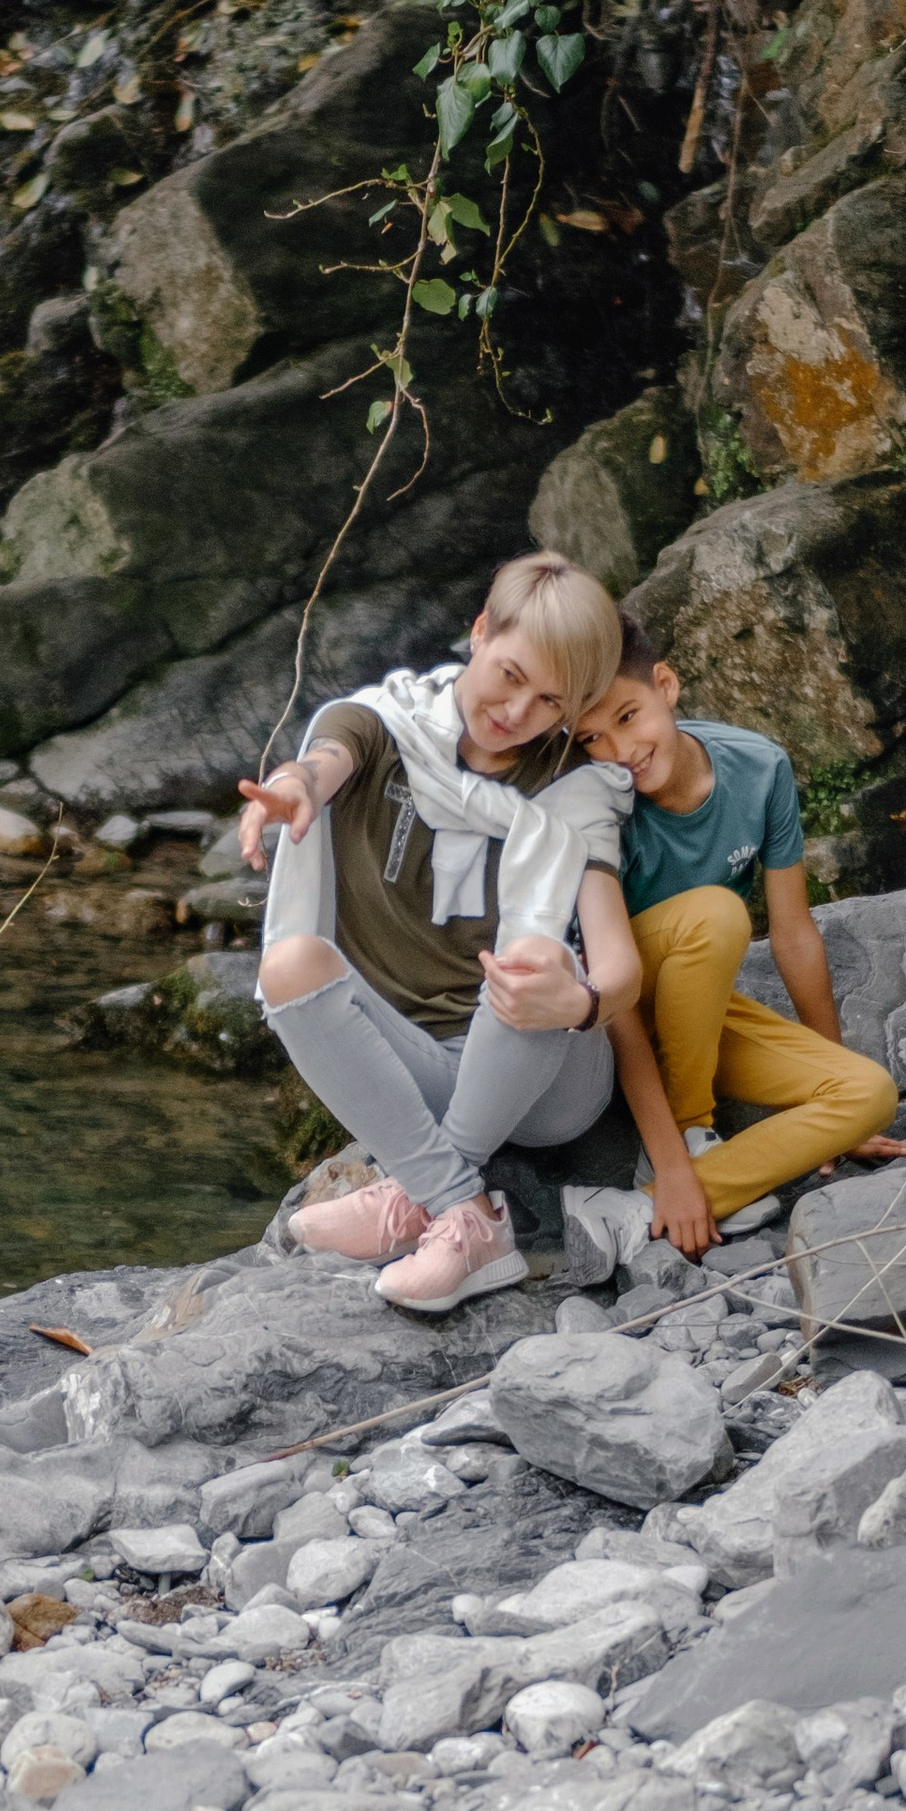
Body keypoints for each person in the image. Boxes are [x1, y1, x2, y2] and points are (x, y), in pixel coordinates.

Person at [237, 551, 642, 1313]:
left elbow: (620, 967)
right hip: (417, 1068)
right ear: (481, 631)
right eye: (511, 674)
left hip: (546, 1080)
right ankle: (465, 1216)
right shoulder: (382, 728)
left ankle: (413, 1195)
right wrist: (293, 792)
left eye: (551, 700)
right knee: (289, 967)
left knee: (532, 955)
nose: (518, 711)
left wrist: (578, 1002)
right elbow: (324, 762)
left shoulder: (573, 788)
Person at [569, 617, 901, 1261]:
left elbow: (795, 934)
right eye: (591, 740)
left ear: (666, 685)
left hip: (698, 1013)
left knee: (869, 1094)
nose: (619, 750)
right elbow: (607, 998)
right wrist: (671, 1152)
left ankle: (636, 1211)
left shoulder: (758, 766)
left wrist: (828, 1070)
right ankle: (689, 1136)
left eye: (629, 717)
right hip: (609, 1020)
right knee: (718, 914)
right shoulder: (599, 812)